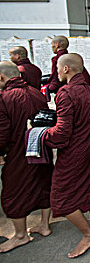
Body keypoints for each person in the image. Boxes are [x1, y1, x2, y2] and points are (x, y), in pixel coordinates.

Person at [42, 53, 90, 258]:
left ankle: (88, 234)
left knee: (60, 196)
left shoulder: (66, 93)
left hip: (75, 150)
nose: (56, 72)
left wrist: (40, 134)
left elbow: (62, 132)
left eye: (58, 68)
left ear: (66, 69)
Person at [0, 62, 52, 253]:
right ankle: (44, 225)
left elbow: (3, 132)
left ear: (2, 78)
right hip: (41, 147)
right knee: (43, 183)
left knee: (13, 193)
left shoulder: (5, 97)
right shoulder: (36, 92)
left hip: (19, 152)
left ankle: (21, 235)